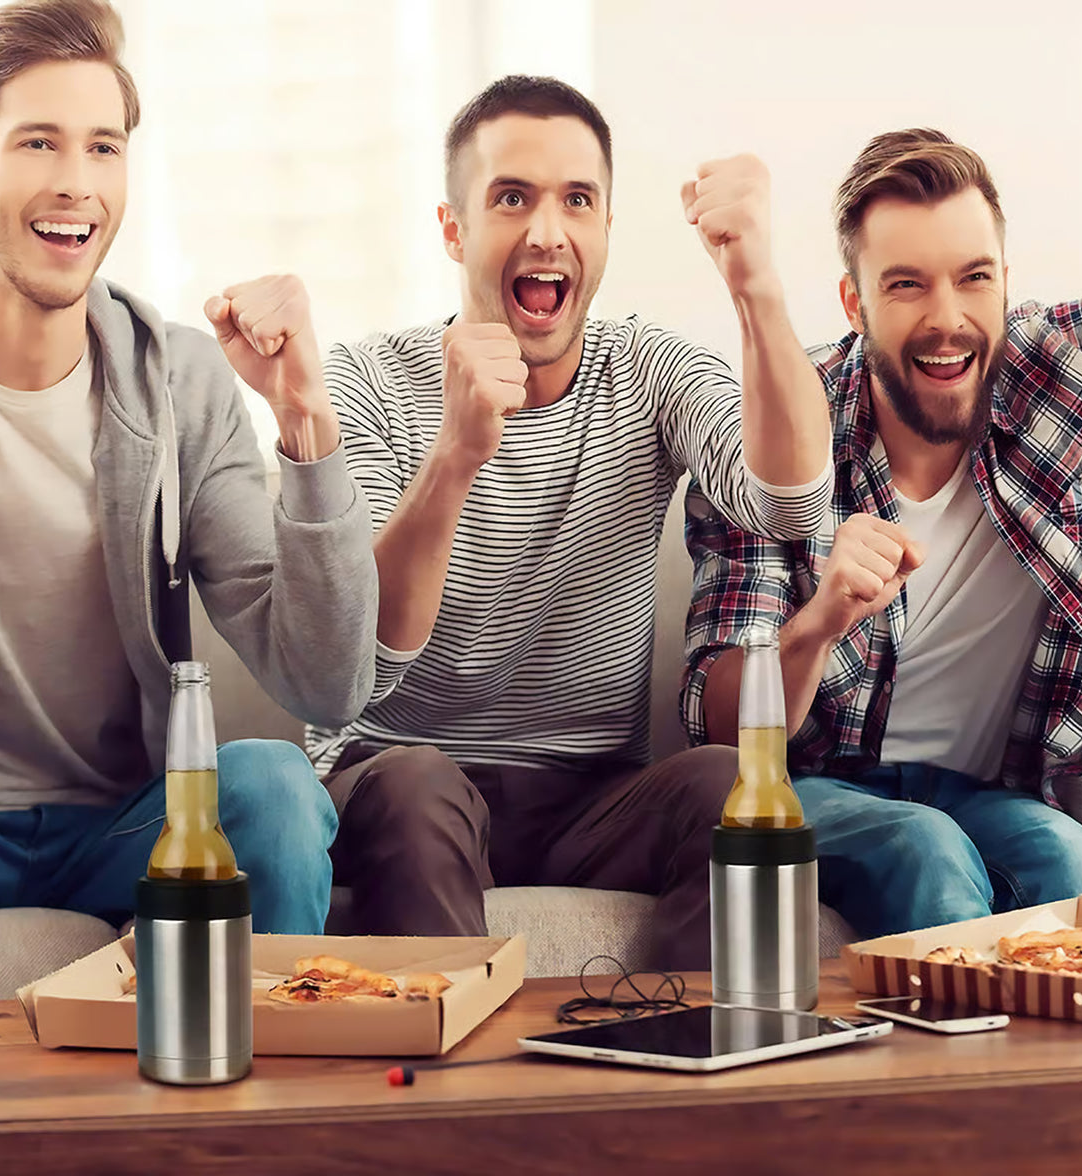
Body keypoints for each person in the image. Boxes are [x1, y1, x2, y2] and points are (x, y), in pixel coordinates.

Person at [305, 75, 832, 970]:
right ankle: (452, 1103)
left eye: (577, 201)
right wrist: (457, 455)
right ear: (453, 229)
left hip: (590, 794)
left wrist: (756, 285)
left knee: (735, 783)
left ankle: (693, 1074)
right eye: (512, 198)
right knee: (418, 786)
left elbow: (788, 502)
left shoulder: (651, 370)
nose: (547, 232)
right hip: (399, 771)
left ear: (605, 232)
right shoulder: (365, 379)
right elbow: (354, 650)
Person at [0, 0, 377, 936]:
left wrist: (304, 420)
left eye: (104, 148)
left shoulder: (181, 381)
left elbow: (324, 683)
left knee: (271, 785)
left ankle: (262, 1076)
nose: (76, 183)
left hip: (128, 824)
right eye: (38, 144)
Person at [683, 125, 1082, 940]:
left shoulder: (1059, 367)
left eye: (974, 279)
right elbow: (717, 729)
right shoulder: (778, 427)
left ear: (1004, 284)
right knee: (927, 851)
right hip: (824, 787)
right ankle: (943, 1068)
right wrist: (820, 621)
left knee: (1080, 872)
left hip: (997, 792)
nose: (947, 319)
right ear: (854, 303)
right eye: (907, 286)